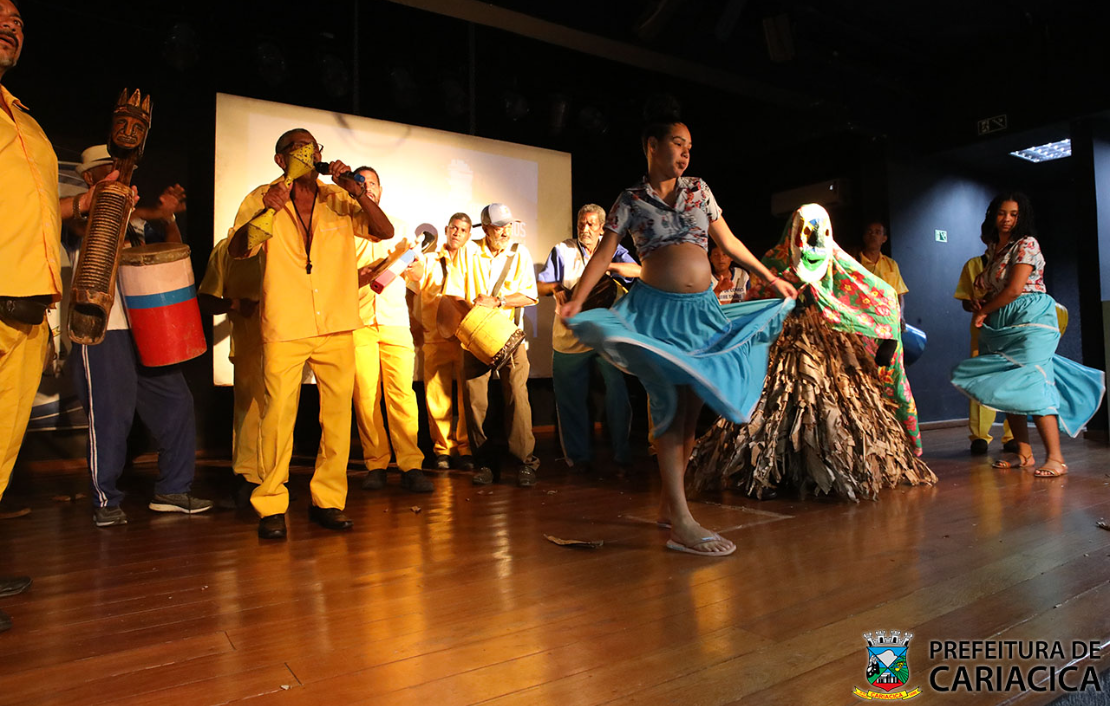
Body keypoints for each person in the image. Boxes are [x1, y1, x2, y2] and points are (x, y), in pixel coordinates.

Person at [562, 119, 797, 557]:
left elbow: (728, 241)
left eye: (690, 146)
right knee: (669, 408)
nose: (686, 153)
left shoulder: (699, 191)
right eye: (677, 143)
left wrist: (769, 276)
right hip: (656, 314)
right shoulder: (630, 199)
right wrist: (577, 299)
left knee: (689, 411)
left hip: (703, 314)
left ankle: (671, 506)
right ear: (651, 145)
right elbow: (604, 253)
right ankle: (683, 524)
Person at [228, 129, 393, 539]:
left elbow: (384, 231)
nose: (309, 154)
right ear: (280, 160)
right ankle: (271, 504)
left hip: (337, 322)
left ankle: (329, 501)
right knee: (277, 418)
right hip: (286, 324)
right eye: (298, 150)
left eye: (314, 148)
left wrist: (357, 191)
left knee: (337, 420)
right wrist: (268, 209)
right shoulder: (260, 198)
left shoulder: (337, 196)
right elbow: (238, 250)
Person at [67, 145, 212, 527]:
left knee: (177, 402)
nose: (120, 177)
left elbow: (169, 251)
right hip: (103, 330)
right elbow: (94, 226)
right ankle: (106, 500)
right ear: (88, 178)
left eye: (123, 170)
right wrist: (149, 210)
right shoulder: (76, 215)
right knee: (111, 416)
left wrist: (166, 219)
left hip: (147, 327)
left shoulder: (133, 221)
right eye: (109, 170)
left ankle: (173, 490)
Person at [950, 192, 1104, 477]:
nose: (1007, 219)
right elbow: (989, 287)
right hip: (1002, 322)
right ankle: (1024, 452)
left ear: (1022, 218)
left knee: (1033, 383)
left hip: (1031, 318)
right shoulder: (994, 250)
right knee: (1008, 384)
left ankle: (1056, 458)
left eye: (1013, 214)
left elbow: (1014, 289)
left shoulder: (1027, 244)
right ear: (992, 216)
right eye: (1001, 213)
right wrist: (979, 302)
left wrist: (984, 312)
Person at [537, 203, 640, 473]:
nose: (585, 228)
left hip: (606, 336)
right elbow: (539, 285)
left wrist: (608, 267)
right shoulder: (563, 250)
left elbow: (639, 272)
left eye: (591, 224)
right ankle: (578, 458)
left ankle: (622, 451)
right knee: (570, 399)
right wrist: (555, 287)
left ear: (603, 228)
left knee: (617, 392)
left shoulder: (614, 250)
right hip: (570, 335)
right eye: (582, 223)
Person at [349, 166, 432, 494]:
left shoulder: (399, 227)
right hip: (358, 321)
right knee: (365, 396)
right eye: (361, 183)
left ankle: (411, 464)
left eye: (372, 183)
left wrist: (416, 267)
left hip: (395, 320)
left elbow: (417, 275)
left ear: (380, 190)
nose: (367, 187)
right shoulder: (344, 225)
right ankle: (376, 463)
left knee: (402, 395)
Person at [447, 203, 540, 487]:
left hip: (509, 337)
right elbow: (452, 293)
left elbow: (529, 296)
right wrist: (475, 313)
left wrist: (498, 302)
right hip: (475, 338)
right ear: (485, 228)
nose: (504, 231)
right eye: (498, 226)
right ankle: (484, 463)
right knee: (476, 402)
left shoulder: (519, 253)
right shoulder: (467, 251)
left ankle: (525, 462)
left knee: (517, 398)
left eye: (508, 225)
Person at [197, 235, 263, 507]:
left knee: (280, 413)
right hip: (249, 347)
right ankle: (248, 478)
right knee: (249, 413)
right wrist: (235, 304)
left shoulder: (290, 244)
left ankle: (275, 478)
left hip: (286, 346)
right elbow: (206, 299)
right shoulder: (227, 248)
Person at [412, 213, 476, 471]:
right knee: (437, 394)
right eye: (454, 228)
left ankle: (466, 447)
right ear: (446, 230)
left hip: (466, 335)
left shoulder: (474, 260)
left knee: (467, 394)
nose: (457, 233)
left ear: (469, 235)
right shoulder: (427, 258)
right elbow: (411, 286)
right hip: (434, 335)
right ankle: (442, 449)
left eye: (463, 230)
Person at [954, 247, 1016, 456]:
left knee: (1012, 380)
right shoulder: (974, 265)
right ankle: (980, 436)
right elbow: (964, 300)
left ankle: (1013, 436)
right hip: (983, 330)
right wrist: (971, 304)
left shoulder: (1017, 261)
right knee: (981, 381)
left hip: (1011, 326)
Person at [857, 221, 907, 325]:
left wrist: (900, 316)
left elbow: (899, 295)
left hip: (889, 323)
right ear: (864, 237)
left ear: (884, 239)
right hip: (863, 323)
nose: (873, 235)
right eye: (869, 232)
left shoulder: (891, 264)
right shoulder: (854, 263)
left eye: (877, 232)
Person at [709, 240, 749, 304]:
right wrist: (718, 290)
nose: (721, 258)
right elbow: (704, 304)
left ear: (731, 257)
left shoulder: (741, 274)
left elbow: (751, 298)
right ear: (711, 259)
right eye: (716, 255)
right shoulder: (706, 279)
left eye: (724, 254)